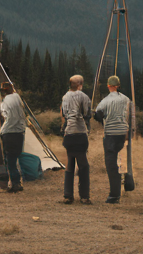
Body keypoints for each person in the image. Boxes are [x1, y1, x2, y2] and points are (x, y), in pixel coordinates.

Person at [94, 75, 131, 204]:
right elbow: (130, 114)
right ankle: (127, 180)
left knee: (111, 164)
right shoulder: (126, 99)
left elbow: (98, 115)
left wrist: (103, 119)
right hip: (123, 133)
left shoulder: (105, 101)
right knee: (123, 159)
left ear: (109, 86)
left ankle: (114, 195)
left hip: (110, 134)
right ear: (118, 86)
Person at [60, 74, 92, 204]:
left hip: (69, 134)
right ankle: (84, 196)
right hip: (80, 133)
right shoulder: (84, 97)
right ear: (80, 85)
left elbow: (64, 113)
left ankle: (68, 195)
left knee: (70, 164)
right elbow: (87, 114)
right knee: (83, 166)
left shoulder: (65, 97)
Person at [0, 82, 27, 193]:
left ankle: (14, 184)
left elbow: (8, 118)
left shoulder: (5, 102)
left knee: (9, 160)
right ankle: (18, 182)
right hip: (20, 132)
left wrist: (1, 131)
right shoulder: (17, 98)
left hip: (9, 133)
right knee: (16, 158)